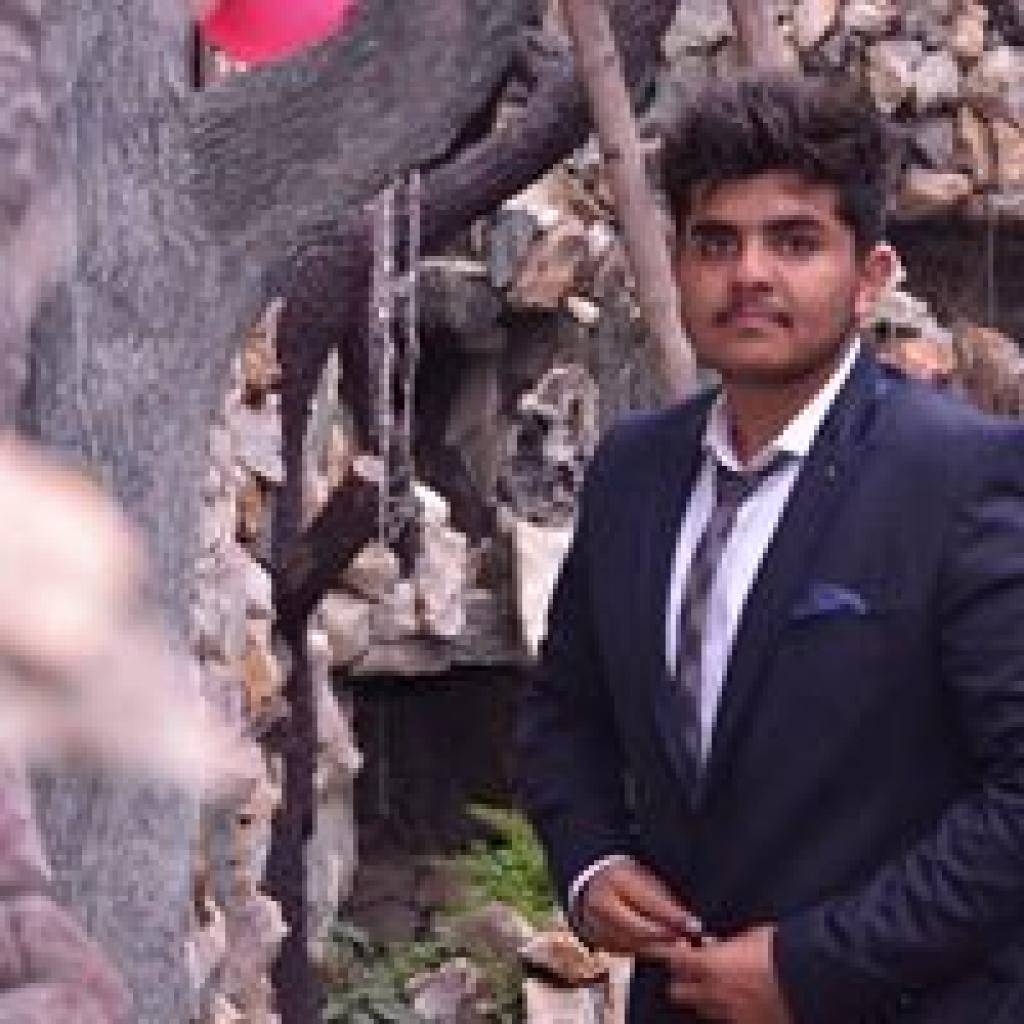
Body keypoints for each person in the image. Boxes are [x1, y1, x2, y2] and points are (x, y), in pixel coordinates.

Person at [518, 72, 1024, 1024]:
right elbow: (565, 713)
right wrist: (590, 862)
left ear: (870, 276)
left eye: (794, 241)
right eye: (716, 242)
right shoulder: (632, 471)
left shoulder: (962, 478)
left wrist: (813, 966)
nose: (748, 274)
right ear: (677, 264)